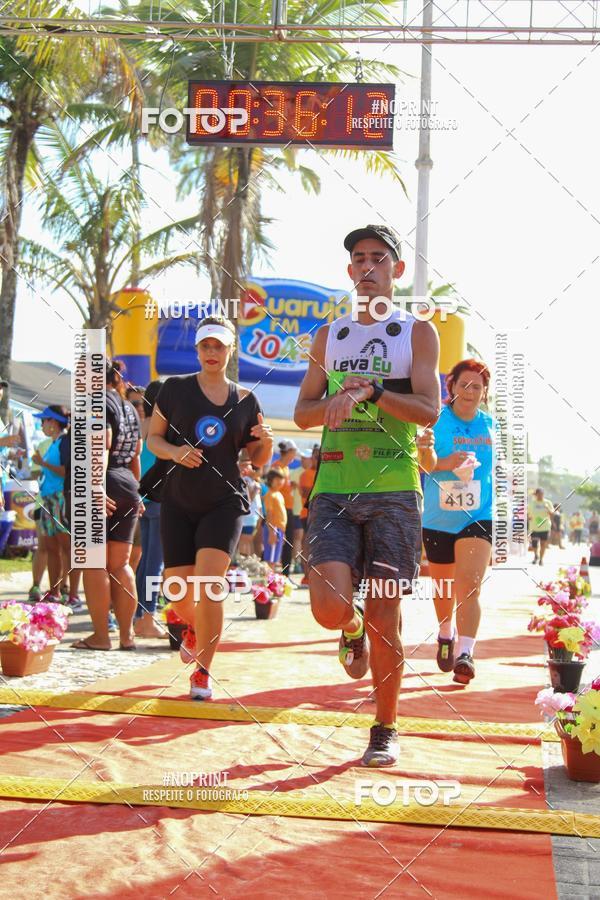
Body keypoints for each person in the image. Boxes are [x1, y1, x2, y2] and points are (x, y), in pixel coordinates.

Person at [294, 223, 440, 767]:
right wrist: (334, 403)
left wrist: (374, 392)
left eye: (379, 258)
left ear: (396, 270)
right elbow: (303, 414)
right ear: (349, 269)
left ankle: (385, 727)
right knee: (329, 608)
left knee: (386, 615)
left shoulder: (416, 332)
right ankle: (348, 628)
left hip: (394, 488)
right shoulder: (328, 337)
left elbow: (429, 410)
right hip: (334, 487)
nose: (368, 267)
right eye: (359, 259)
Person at [146, 316, 273, 700]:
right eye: (206, 346)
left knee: (209, 586)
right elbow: (153, 440)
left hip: (224, 502)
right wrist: (175, 452)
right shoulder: (174, 389)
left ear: (231, 349)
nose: (212, 352)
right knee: (177, 591)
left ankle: (202, 672)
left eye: (219, 345)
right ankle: (194, 627)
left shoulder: (246, 400)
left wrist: (266, 442)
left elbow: (258, 458)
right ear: (197, 350)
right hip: (178, 501)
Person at [417, 358, 494, 685]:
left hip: (479, 514)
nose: (470, 391)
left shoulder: (491, 425)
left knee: (470, 584)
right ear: (451, 386)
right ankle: (446, 633)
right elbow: (423, 464)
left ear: (484, 391)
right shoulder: (437, 420)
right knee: (444, 587)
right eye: (464, 385)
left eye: (477, 386)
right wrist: (449, 462)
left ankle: (465, 653)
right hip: (439, 517)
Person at [73, 360, 142, 650]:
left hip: (101, 484)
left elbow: (102, 443)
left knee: (94, 564)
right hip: (127, 484)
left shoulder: (96, 402)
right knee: (121, 565)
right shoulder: (130, 408)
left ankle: (101, 636)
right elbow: (136, 454)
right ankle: (127, 635)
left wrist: (96, 486)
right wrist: (138, 492)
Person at [30, 406, 79, 606]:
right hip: (48, 499)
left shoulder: (65, 441)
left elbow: (67, 471)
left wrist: (43, 463)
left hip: (61, 498)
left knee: (67, 547)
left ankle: (73, 594)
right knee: (51, 548)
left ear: (54, 422)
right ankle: (55, 591)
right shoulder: (53, 443)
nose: (42, 424)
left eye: (44, 421)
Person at [134, 380, 166, 639]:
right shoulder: (161, 427)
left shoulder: (140, 425)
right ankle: (147, 616)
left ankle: (139, 614)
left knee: (145, 561)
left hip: (142, 497)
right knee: (154, 562)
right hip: (159, 498)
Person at [273, 440, 298, 576]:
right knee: (277, 541)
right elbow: (274, 487)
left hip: (287, 509)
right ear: (288, 452)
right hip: (278, 509)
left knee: (289, 541)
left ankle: (285, 573)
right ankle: (273, 572)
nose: (295, 456)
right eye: (294, 452)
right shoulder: (277, 467)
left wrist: (290, 486)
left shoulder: (286, 468)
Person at [298, 449, 317, 586]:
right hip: (308, 513)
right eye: (315, 457)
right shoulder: (305, 474)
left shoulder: (325, 472)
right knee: (308, 545)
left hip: (323, 513)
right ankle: (306, 576)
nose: (317, 459)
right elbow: (305, 493)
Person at [263, 468, 287, 568]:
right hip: (273, 528)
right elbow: (269, 514)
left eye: (281, 479)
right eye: (277, 479)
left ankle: (272, 576)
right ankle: (270, 576)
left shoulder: (279, 494)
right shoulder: (270, 495)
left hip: (279, 529)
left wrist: (283, 533)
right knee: (271, 559)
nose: (280, 482)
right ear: (270, 480)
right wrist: (272, 532)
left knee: (275, 558)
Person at [527, 488, 554, 565]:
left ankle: (541, 559)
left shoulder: (548, 502)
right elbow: (527, 514)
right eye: (538, 494)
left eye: (541, 494)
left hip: (545, 526)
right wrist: (528, 517)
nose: (540, 496)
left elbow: (552, 513)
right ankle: (536, 555)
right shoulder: (532, 503)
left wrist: (547, 508)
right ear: (536, 495)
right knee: (534, 543)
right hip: (534, 527)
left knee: (543, 544)